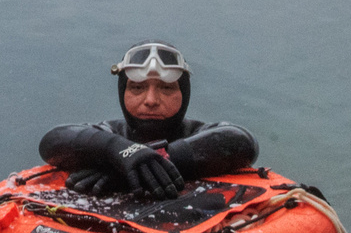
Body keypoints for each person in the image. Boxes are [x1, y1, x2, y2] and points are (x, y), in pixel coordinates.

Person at [38, 40, 258, 200]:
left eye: (166, 88)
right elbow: (52, 142)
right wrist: (120, 150)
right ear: (122, 92)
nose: (151, 100)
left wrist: (128, 169)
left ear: (184, 94)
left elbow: (242, 142)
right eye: (137, 88)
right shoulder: (108, 133)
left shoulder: (200, 133)